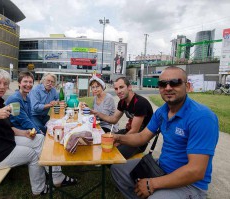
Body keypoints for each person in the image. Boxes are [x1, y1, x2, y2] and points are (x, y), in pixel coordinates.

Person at [110, 66, 219, 199]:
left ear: (188, 86)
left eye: (175, 82)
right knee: (118, 169)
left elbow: (196, 171)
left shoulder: (202, 117)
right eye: (162, 84)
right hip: (161, 167)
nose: (168, 87)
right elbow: (142, 136)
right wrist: (118, 138)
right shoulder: (162, 112)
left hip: (191, 184)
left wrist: (153, 184)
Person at [5, 71, 77, 187]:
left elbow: (25, 119)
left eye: (30, 82)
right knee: (44, 138)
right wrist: (38, 131)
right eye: (25, 82)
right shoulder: (15, 99)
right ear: (19, 83)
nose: (28, 84)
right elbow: (25, 120)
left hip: (22, 128)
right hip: (15, 132)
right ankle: (56, 174)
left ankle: (51, 172)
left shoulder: (25, 98)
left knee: (51, 130)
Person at [91, 77, 153, 159]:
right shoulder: (122, 101)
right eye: (116, 89)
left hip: (139, 139)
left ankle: (115, 167)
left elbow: (135, 131)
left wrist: (119, 141)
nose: (118, 91)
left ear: (129, 87)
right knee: (103, 140)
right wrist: (97, 113)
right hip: (128, 132)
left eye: (121, 87)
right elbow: (113, 119)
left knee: (114, 153)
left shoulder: (140, 103)